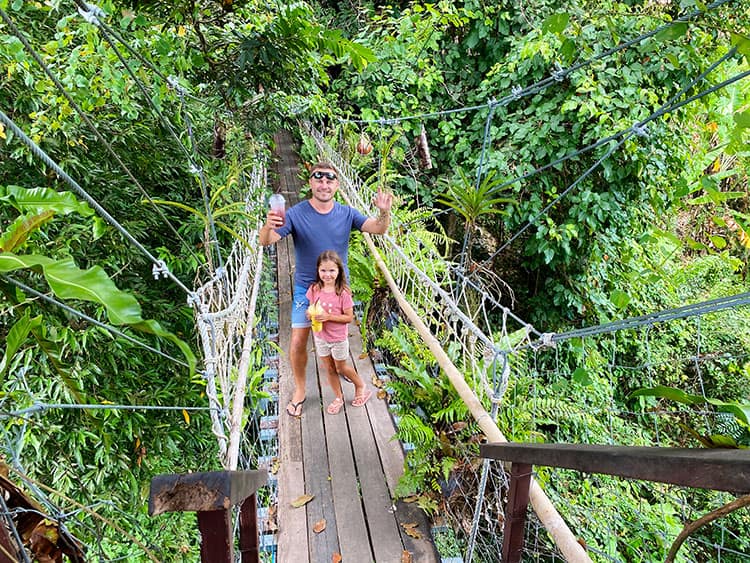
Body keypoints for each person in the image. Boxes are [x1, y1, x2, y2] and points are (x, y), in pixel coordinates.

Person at [259, 161, 392, 417]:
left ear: (337, 185)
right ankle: (300, 389)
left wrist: (384, 213)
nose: (324, 185)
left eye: (329, 180)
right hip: (305, 290)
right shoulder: (296, 214)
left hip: (337, 291)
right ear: (310, 183)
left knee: (334, 341)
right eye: (318, 180)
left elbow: (379, 229)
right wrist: (267, 226)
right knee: (298, 340)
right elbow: (267, 241)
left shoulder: (347, 213)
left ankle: (341, 377)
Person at [306, 250, 372, 414]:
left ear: (339, 271)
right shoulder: (315, 289)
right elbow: (311, 307)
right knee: (329, 367)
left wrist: (328, 316)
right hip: (320, 336)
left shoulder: (343, 293)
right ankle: (338, 397)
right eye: (323, 270)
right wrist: (310, 313)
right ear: (318, 270)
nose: (327, 275)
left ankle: (360, 385)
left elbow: (349, 318)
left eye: (331, 270)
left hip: (337, 338)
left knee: (341, 367)